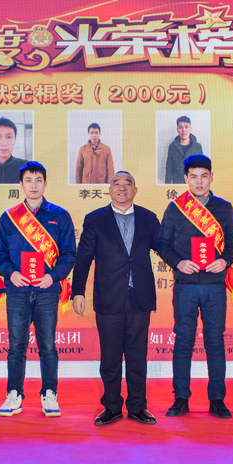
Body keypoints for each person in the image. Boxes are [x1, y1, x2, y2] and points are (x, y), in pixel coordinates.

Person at [72, 171, 161, 426]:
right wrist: (78, 292)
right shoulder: (95, 219)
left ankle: (138, 406)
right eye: (116, 184)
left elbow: (165, 247)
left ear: (135, 190)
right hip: (108, 296)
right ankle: (111, 406)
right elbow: (83, 258)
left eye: (127, 184)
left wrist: (185, 260)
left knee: (137, 356)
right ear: (110, 190)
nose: (122, 188)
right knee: (110, 357)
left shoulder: (148, 218)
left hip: (139, 297)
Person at [157, 155, 233, 419]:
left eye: (204, 175)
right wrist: (178, 262)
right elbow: (162, 244)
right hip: (186, 286)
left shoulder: (224, 208)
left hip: (215, 286)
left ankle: (217, 400)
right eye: (193, 176)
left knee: (215, 341)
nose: (199, 181)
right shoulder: (175, 209)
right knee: (183, 341)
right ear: (186, 179)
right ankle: (181, 398)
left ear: (211, 177)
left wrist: (224, 261)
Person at [0, 161, 76, 417]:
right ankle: (14, 394)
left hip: (47, 292)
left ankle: (49, 394)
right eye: (28, 180)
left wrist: (53, 277)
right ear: (21, 184)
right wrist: (11, 273)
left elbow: (69, 254)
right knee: (16, 346)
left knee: (47, 345)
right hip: (17, 292)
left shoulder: (60, 216)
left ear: (45, 183)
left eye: (38, 180)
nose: (34, 185)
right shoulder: (9, 218)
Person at [165, 116, 204, 184]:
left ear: (190, 129)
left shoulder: (197, 147)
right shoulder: (172, 147)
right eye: (181, 127)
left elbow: (201, 168)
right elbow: (169, 169)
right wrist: (167, 185)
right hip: (177, 184)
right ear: (177, 129)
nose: (184, 130)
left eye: (186, 127)